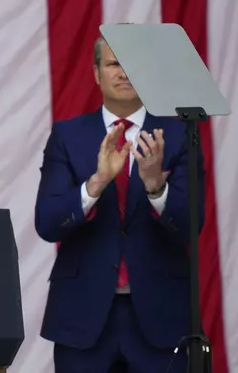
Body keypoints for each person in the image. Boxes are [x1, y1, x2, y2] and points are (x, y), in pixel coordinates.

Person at [34, 35, 205, 372]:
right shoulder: (68, 135)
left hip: (162, 316)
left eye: (132, 65)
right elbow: (48, 223)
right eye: (114, 64)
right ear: (97, 73)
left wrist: (156, 186)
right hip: (82, 316)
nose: (124, 73)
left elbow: (191, 225)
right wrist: (96, 183)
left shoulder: (179, 133)